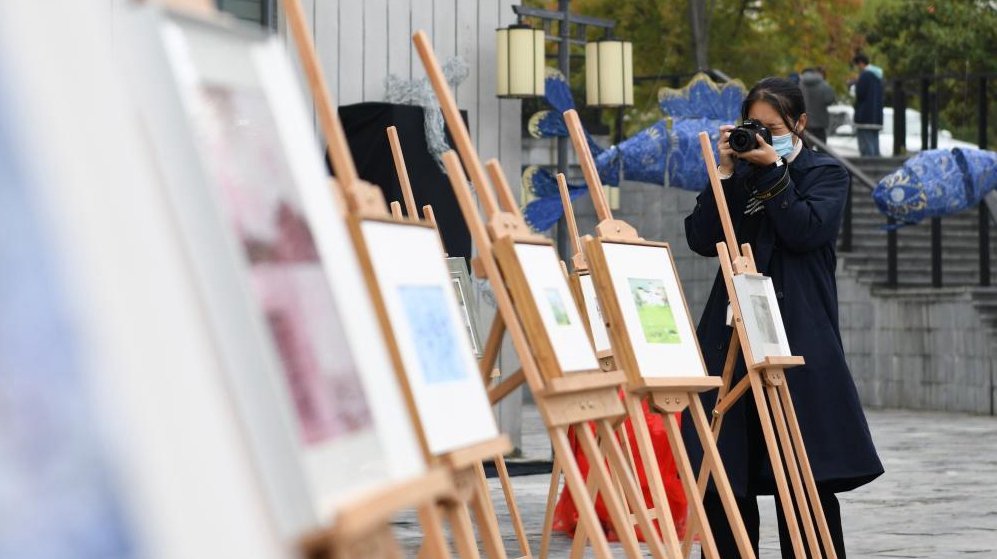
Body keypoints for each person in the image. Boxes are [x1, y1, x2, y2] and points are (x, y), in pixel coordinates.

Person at [683, 77, 884, 558]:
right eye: (755, 127)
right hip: (731, 335)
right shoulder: (740, 174)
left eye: (774, 127)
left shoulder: (824, 174)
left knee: (803, 473)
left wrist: (774, 169)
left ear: (799, 124)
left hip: (797, 334)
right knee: (727, 471)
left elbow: (803, 231)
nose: (764, 136)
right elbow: (700, 237)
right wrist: (728, 175)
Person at [852, 53, 884, 156]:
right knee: (874, 145)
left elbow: (860, 94)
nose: (858, 68)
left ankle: (869, 171)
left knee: (866, 146)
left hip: (864, 117)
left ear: (861, 64)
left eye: (857, 65)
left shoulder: (865, 76)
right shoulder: (878, 77)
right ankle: (877, 169)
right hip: (876, 117)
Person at [800, 67, 836, 144]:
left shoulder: (801, 83)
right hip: (820, 120)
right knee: (822, 148)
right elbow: (830, 99)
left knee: (807, 147)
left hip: (806, 121)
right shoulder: (823, 83)